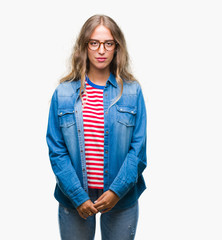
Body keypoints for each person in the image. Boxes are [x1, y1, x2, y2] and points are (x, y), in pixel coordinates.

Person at [46, 14, 147, 240]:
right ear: (84, 46)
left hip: (121, 197)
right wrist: (77, 196)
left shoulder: (132, 92)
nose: (101, 50)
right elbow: (57, 151)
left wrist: (116, 192)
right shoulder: (62, 94)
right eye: (94, 43)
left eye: (108, 43)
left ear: (116, 48)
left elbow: (138, 150)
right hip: (74, 198)